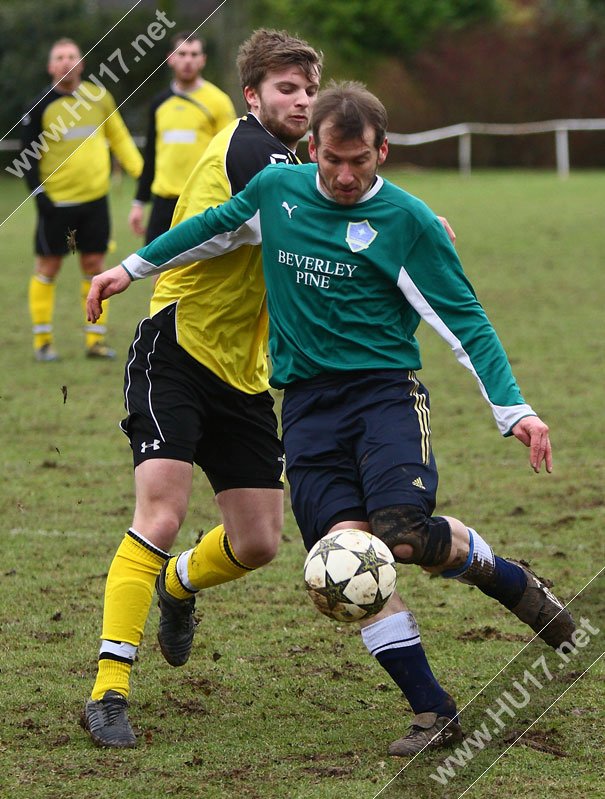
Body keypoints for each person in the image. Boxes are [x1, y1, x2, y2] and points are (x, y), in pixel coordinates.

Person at [88, 80, 576, 757]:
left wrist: (513, 409)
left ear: (382, 151)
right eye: (331, 161)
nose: (345, 177)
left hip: (384, 398)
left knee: (401, 534)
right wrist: (129, 268)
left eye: (360, 162)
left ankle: (507, 577)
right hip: (308, 407)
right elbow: (210, 227)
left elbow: (464, 321)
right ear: (310, 151)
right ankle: (433, 710)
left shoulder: (405, 222)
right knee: (340, 562)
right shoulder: (276, 194)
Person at [80, 29, 323, 750]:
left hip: (242, 374)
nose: (301, 100)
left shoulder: (295, 161)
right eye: (286, 88)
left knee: (257, 542)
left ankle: (179, 584)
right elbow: (275, 226)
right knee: (160, 512)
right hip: (176, 348)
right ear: (253, 96)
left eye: (309, 89)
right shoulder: (252, 149)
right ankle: (108, 691)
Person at [22, 38, 143, 361]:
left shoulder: (99, 97)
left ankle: (95, 341)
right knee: (49, 267)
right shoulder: (40, 107)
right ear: (51, 66)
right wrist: (40, 195)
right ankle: (43, 341)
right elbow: (26, 159)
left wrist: (142, 176)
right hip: (57, 204)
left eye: (71, 56)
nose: (65, 62)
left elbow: (118, 137)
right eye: (59, 57)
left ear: (82, 63)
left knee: (95, 267)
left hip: (95, 202)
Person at [128, 31, 236, 244]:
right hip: (163, 202)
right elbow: (151, 155)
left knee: (194, 272)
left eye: (194, 54)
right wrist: (139, 202)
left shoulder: (219, 102)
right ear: (171, 58)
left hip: (201, 201)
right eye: (183, 53)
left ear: (203, 60)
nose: (188, 60)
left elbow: (230, 154)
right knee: (157, 272)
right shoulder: (159, 103)